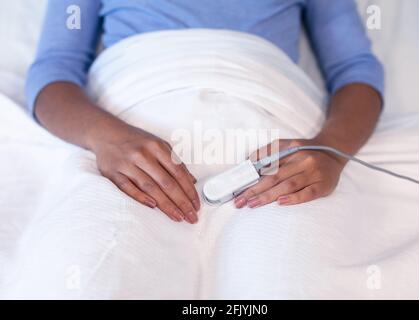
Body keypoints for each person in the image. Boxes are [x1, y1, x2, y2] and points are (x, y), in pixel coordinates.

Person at [26, 0, 384, 225]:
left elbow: (355, 70)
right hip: (129, 145)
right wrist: (104, 136)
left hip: (270, 148)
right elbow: (54, 71)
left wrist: (329, 151)